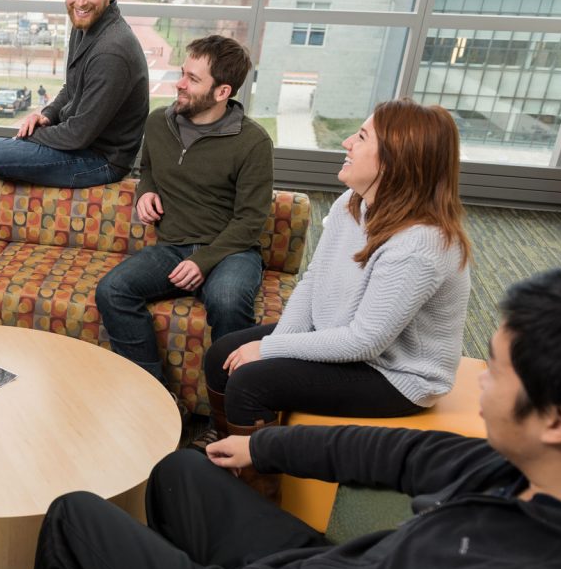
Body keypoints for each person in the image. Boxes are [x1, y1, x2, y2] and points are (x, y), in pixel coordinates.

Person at [0, 265, 561, 569]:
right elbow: (393, 452)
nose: (479, 385)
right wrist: (263, 449)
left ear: (556, 420)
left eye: (496, 370)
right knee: (181, 470)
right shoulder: (518, 472)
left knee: (75, 516)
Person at [197, 99, 472, 451]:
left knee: (251, 383)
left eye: (360, 136)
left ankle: (252, 482)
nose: (346, 143)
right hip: (341, 334)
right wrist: (278, 345)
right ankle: (226, 444)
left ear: (394, 159)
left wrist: (270, 348)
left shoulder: (420, 244)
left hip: (395, 375)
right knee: (222, 353)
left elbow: (364, 342)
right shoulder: (352, 202)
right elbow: (314, 280)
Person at [95, 35, 274, 386]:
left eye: (193, 79)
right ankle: (154, 394)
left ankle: (229, 414)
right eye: (183, 73)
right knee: (112, 291)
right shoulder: (158, 123)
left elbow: (251, 221)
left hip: (230, 253)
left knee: (227, 300)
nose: (179, 83)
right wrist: (146, 192)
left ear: (222, 92)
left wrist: (203, 261)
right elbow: (147, 170)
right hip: (172, 247)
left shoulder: (253, 142)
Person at [0, 0, 148, 188]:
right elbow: (72, 87)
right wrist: (46, 116)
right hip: (80, 145)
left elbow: (78, 133)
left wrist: (33, 137)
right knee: (4, 146)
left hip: (101, 161)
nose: (80, 1)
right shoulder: (85, 25)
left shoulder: (113, 51)